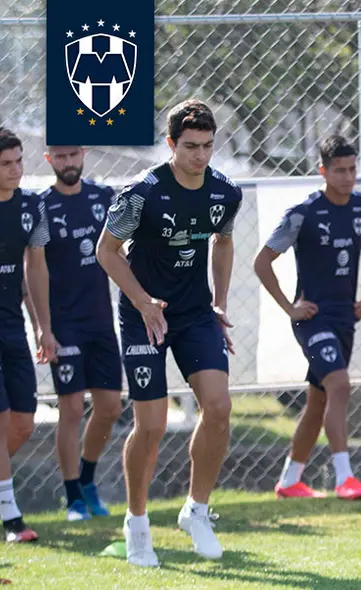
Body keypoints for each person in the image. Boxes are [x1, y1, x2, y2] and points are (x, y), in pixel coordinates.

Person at [96, 100, 242, 566]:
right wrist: (142, 301)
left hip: (194, 312)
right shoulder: (141, 191)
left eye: (208, 146)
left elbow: (223, 239)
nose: (201, 156)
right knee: (152, 424)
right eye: (191, 147)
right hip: (143, 313)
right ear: (171, 144)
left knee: (218, 407)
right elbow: (107, 251)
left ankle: (196, 512)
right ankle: (137, 524)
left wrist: (219, 300)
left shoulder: (225, 192)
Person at [254, 135, 361, 501]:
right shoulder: (303, 213)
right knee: (340, 384)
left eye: (353, 169)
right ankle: (344, 477)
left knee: (319, 400)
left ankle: (290, 480)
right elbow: (262, 262)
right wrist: (289, 307)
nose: (347, 177)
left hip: (345, 319)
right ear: (323, 171)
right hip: (312, 319)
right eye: (339, 170)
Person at [0, 126, 57, 542]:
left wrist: (44, 327)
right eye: (6, 164)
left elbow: (35, 266)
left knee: (23, 423)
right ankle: (12, 522)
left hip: (11, 326)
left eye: (20, 161)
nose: (16, 170)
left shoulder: (32, 207)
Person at [36, 146, 122, 521]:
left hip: (101, 321)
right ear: (48, 159)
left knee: (109, 407)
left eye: (73, 154)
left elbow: (125, 249)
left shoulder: (104, 197)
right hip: (64, 324)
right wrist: (44, 328)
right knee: (71, 409)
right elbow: (34, 270)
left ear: (83, 153)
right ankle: (72, 497)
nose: (68, 162)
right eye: (60, 157)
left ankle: (87, 479)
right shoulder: (40, 207)